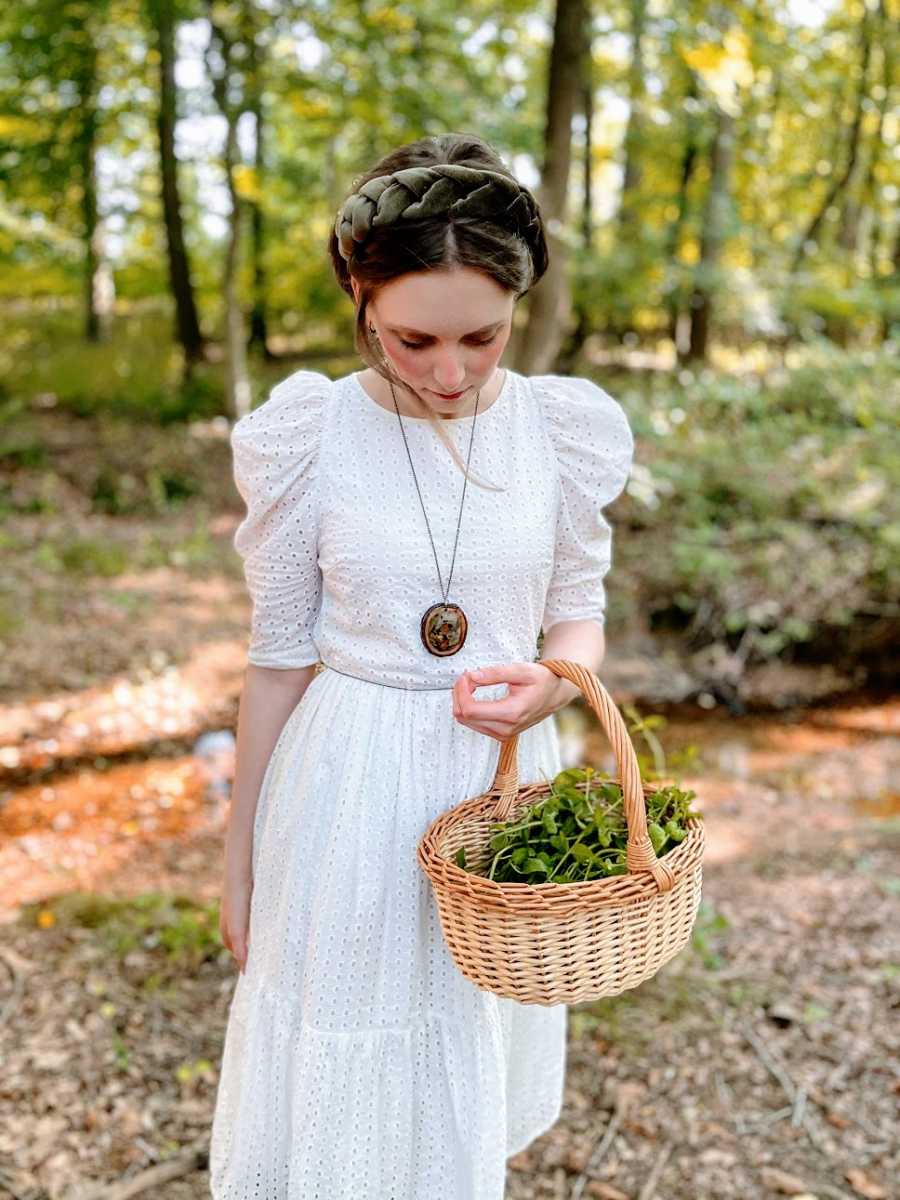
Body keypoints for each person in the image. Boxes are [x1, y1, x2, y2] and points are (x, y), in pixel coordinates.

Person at [209, 132, 635, 1199]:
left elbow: (577, 617)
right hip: (349, 783)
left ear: (519, 308)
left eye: (482, 339)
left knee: (459, 1043)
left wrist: (556, 680)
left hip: (499, 786)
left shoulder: (559, 430)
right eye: (413, 340)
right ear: (359, 294)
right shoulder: (312, 434)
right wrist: (238, 859)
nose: (450, 373)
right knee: (351, 1035)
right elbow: (276, 662)